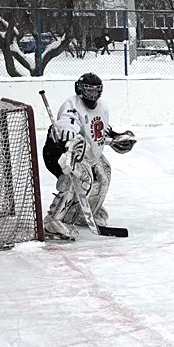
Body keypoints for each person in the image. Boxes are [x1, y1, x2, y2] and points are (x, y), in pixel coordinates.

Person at [42, 73, 136, 240]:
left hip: (87, 154)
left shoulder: (103, 107)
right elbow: (67, 127)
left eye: (96, 91)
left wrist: (115, 138)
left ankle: (84, 213)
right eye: (88, 91)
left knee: (104, 174)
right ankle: (52, 221)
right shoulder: (71, 105)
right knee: (77, 179)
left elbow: (98, 131)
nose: (92, 95)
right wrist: (68, 142)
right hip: (60, 152)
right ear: (80, 89)